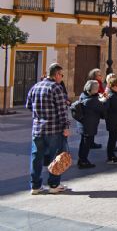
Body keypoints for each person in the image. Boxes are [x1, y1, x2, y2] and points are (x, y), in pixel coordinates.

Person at [26, 63, 70, 194]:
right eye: (61, 75)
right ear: (56, 74)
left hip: (37, 129)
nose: (61, 78)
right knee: (56, 157)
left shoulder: (36, 86)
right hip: (53, 129)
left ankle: (35, 186)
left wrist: (39, 115)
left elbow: (28, 105)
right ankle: (54, 184)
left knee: (36, 157)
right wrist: (66, 127)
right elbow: (62, 110)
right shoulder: (56, 88)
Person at [76, 80, 107, 168]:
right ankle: (83, 161)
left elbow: (95, 98)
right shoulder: (92, 101)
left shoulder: (83, 95)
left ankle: (81, 159)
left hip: (83, 124)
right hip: (89, 124)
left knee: (83, 142)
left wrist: (99, 97)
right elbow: (103, 107)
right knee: (86, 144)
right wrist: (106, 100)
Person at [86, 68, 104, 149]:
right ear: (94, 76)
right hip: (94, 106)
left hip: (96, 105)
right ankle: (90, 143)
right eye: (99, 75)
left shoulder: (99, 83)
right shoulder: (94, 84)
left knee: (94, 124)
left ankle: (91, 142)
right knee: (92, 125)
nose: (101, 76)